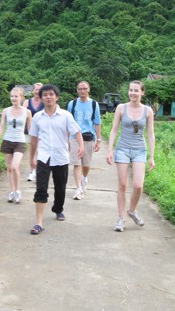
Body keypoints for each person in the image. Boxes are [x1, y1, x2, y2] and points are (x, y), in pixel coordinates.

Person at [28, 84, 84, 235]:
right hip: (43, 157)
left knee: (60, 188)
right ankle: (39, 222)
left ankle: (58, 209)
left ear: (56, 97)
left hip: (61, 157)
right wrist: (32, 157)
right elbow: (34, 139)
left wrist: (81, 146)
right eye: (45, 95)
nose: (48, 97)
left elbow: (76, 131)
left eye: (51, 94)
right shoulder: (38, 117)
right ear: (41, 98)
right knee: (41, 188)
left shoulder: (65, 115)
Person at [106, 80, 155, 232]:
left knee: (138, 186)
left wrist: (152, 157)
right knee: (122, 184)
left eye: (136, 90)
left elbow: (150, 134)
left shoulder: (148, 111)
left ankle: (132, 210)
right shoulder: (121, 108)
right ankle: (121, 219)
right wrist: (109, 150)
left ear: (142, 92)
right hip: (122, 149)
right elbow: (114, 130)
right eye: (130, 90)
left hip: (140, 149)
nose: (133, 93)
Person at [0, 87, 32, 203]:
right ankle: (12, 191)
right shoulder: (6, 110)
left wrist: (34, 144)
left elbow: (30, 129)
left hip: (20, 141)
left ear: (21, 98)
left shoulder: (27, 112)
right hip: (7, 140)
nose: (13, 98)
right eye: (12, 96)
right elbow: (1, 127)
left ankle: (17, 191)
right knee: (9, 168)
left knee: (15, 166)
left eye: (16, 96)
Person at [67, 81, 102, 200]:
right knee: (76, 164)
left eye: (84, 88)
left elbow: (97, 123)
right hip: (74, 137)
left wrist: (99, 140)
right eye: (80, 89)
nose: (82, 91)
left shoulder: (94, 104)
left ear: (88, 90)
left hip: (88, 137)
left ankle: (84, 178)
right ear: (77, 90)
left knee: (86, 165)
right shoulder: (72, 104)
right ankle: (78, 189)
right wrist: (66, 139)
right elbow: (68, 122)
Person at [23, 82, 44, 182]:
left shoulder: (45, 102)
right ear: (33, 90)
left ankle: (37, 171)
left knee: (39, 151)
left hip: (42, 131)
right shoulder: (27, 102)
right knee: (32, 151)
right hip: (30, 131)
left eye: (40, 89)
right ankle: (32, 171)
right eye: (36, 89)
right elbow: (22, 115)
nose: (37, 91)